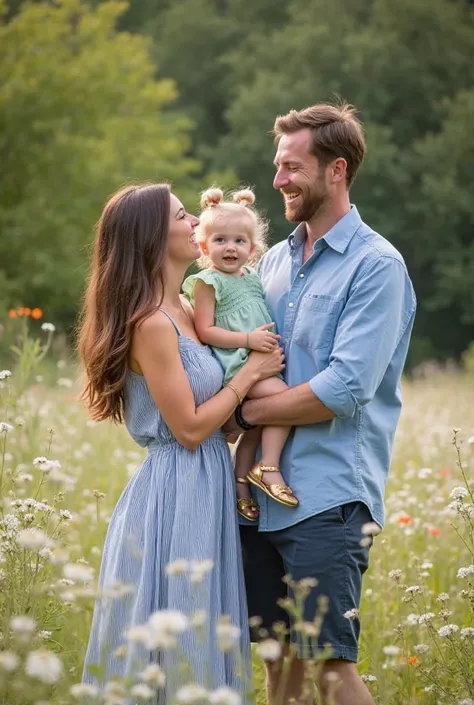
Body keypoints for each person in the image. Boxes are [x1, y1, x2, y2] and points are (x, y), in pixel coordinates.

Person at [229, 103, 416, 705]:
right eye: (277, 165)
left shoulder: (376, 266)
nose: (278, 179)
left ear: (336, 170)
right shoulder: (273, 263)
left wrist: (246, 413)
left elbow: (344, 388)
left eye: (292, 166)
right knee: (278, 666)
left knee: (333, 666)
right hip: (257, 504)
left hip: (329, 500)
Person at [77, 183, 284, 700]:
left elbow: (215, 422)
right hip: (176, 486)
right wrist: (251, 371)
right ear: (151, 236)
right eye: (181, 215)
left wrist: (246, 412)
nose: (196, 221)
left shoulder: (191, 312)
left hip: (210, 475)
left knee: (207, 633)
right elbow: (189, 429)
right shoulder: (151, 323)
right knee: (181, 636)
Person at [183, 186, 298, 524]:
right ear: (204, 246)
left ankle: (240, 486)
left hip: (259, 361)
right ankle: (269, 467)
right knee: (284, 402)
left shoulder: (252, 278)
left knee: (258, 425)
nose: (229, 247)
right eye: (219, 240)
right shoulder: (207, 282)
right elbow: (206, 330)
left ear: (252, 247)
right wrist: (248, 339)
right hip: (236, 365)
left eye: (238, 241)